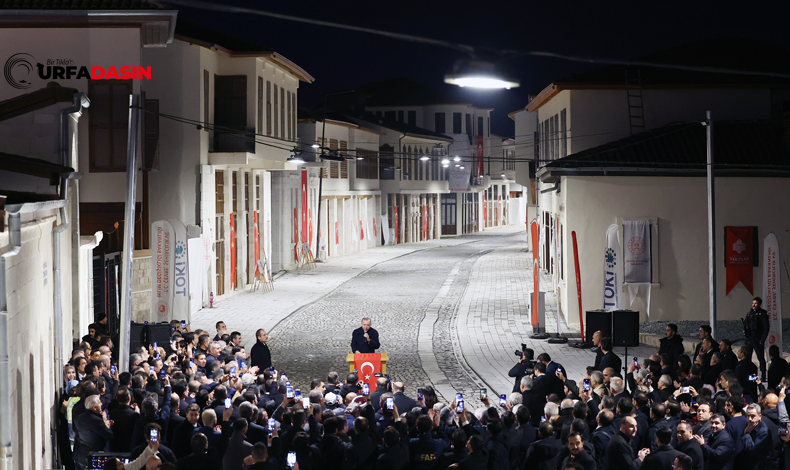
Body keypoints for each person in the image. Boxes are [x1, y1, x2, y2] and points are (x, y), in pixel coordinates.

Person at [74, 395, 114, 469]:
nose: (101, 403)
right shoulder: (97, 421)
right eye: (99, 402)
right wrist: (107, 426)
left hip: (81, 455)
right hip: (93, 457)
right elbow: (109, 436)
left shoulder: (80, 417)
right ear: (94, 407)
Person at [744, 296, 770, 380]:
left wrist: (762, 339)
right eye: (753, 303)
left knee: (761, 358)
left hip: (758, 339)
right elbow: (745, 325)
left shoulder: (762, 314)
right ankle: (749, 374)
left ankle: (763, 375)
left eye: (755, 303)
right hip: (749, 338)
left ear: (759, 304)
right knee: (747, 357)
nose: (753, 305)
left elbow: (766, 328)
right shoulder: (749, 314)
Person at [740, 403, 771, 470]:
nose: (750, 419)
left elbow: (752, 450)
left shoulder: (763, 431)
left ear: (760, 416)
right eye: (748, 416)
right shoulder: (749, 425)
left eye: (753, 416)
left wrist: (746, 434)